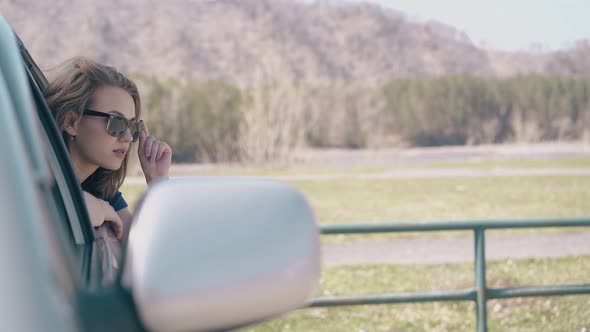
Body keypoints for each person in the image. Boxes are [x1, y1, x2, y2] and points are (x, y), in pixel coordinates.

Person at [44, 56, 172, 240]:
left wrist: (157, 182)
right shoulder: (32, 180)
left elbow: (144, 250)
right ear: (71, 122)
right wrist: (82, 206)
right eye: (116, 122)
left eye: (133, 127)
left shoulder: (104, 192)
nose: (128, 137)